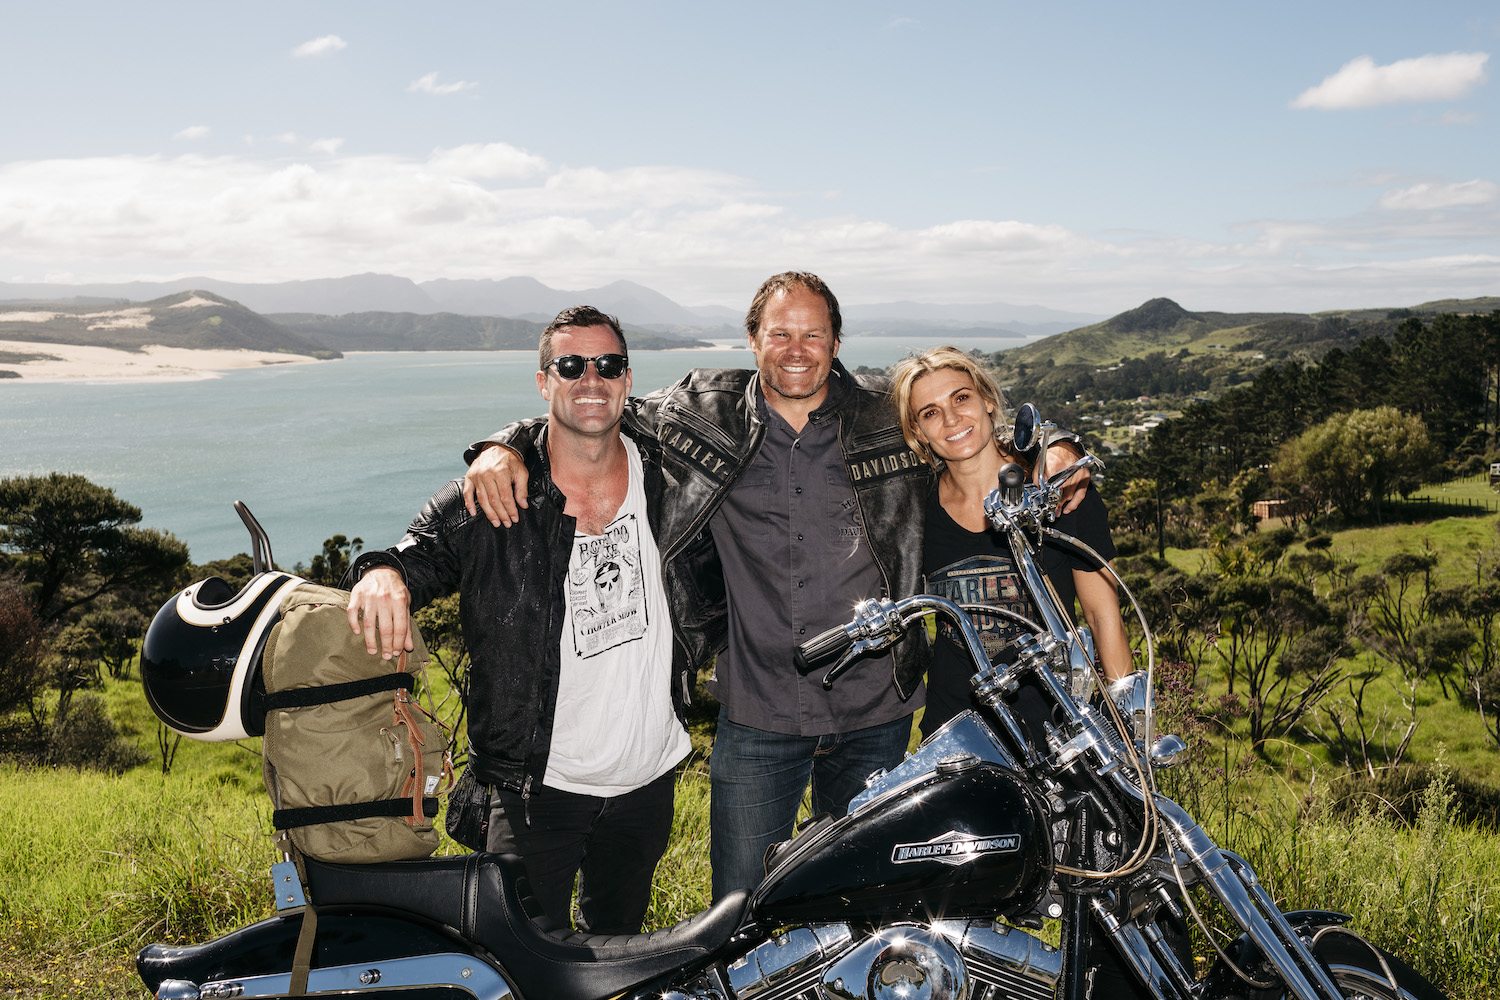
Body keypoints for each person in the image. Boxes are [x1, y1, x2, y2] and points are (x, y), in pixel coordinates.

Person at [462, 274, 1093, 899]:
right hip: (758, 716)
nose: (797, 348)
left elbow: (969, 428)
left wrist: (1056, 448)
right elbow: (591, 408)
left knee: (868, 904)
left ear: (837, 343)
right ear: (753, 339)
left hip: (878, 715)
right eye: (780, 333)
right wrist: (503, 446)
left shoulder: (883, 412)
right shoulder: (699, 412)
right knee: (736, 911)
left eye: (813, 334)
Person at [345, 306, 691, 934]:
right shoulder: (494, 496)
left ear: (628, 379)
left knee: (619, 952)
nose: (592, 380)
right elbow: (412, 554)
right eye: (571, 366)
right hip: (534, 786)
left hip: (647, 778)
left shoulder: (671, 480)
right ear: (543, 381)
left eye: (608, 365)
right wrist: (379, 573)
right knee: (521, 958)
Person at [889, 346, 1132, 740]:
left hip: (1062, 729)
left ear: (988, 401)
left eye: (961, 397)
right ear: (918, 432)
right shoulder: (917, 511)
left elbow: (1103, 617)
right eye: (930, 412)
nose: (951, 419)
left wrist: (1128, 727)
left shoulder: (1056, 491)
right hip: (960, 733)